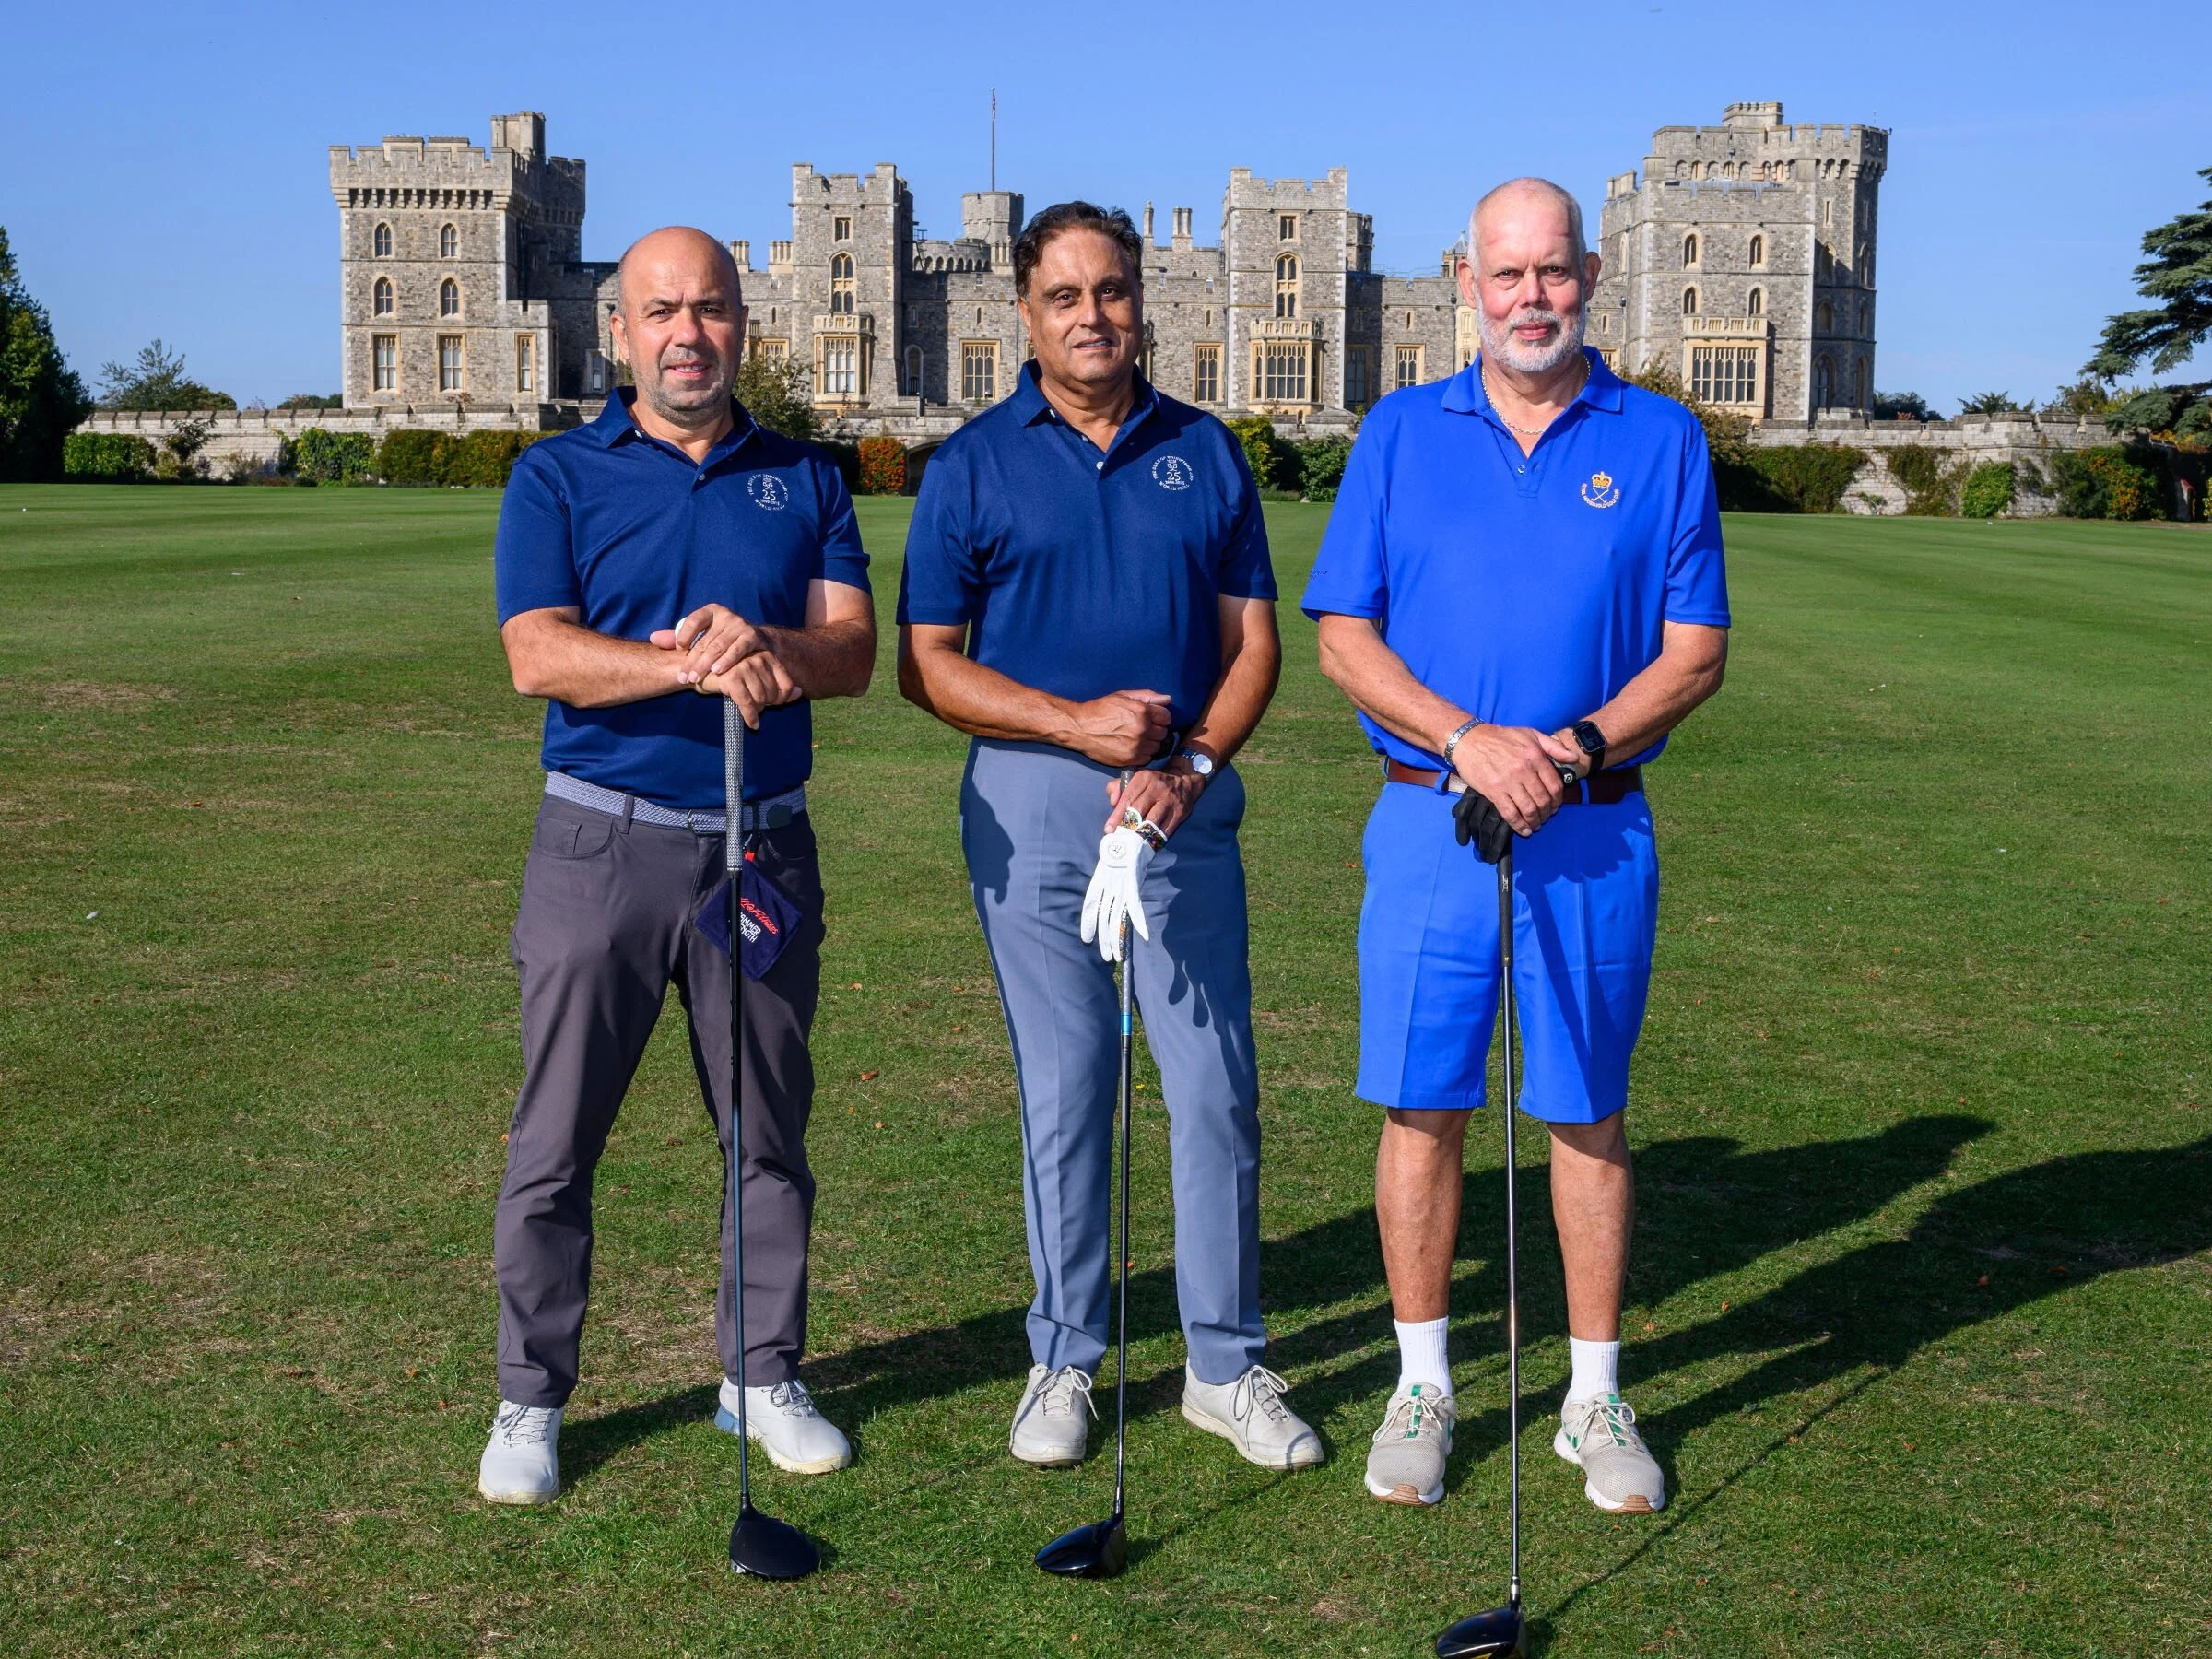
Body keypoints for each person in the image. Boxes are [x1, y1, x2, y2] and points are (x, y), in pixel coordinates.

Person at [1302, 179, 1730, 1514]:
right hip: (1431, 818)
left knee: (1586, 1115)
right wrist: (1472, 737)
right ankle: (1423, 1382)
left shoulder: (1659, 439)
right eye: (1507, 275)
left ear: (1591, 273)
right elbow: (1343, 636)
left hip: (1592, 834)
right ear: (1465, 284)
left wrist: (1576, 746)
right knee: (1422, 1106)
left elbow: (1695, 650)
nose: (1531, 297)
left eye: (1552, 271)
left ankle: (1595, 1398)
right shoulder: (1397, 432)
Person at [897, 202, 1322, 1472]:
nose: (1094, 316)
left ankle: (1225, 1365)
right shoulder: (973, 461)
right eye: (1067, 295)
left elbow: (1255, 646)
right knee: (1067, 1095)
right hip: (1031, 811)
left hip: (1180, 811)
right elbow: (927, 667)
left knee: (1214, 1093)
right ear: (1022, 313)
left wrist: (1187, 764)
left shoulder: (1205, 452)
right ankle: (1064, 1359)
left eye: (1114, 291)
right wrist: (1074, 726)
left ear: (1144, 302)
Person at [478, 227, 876, 1504]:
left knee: (766, 1129)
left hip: (760, 846)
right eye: (662, 312)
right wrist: (693, 660)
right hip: (600, 841)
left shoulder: (805, 478)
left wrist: (764, 641)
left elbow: (852, 650)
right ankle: (530, 1399)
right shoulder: (556, 477)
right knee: (556, 1137)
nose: (687, 333)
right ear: (622, 332)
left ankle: (758, 1374)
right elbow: (539, 655)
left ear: (743, 329)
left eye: (709, 310)